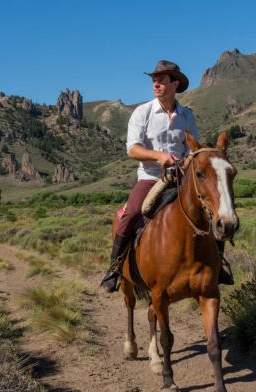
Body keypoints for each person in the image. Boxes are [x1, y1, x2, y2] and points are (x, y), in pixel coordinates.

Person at [100, 60, 233, 293]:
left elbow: (193, 149)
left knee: (213, 209)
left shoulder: (186, 116)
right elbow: (132, 149)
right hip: (151, 178)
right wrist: (158, 156)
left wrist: (192, 160)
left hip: (183, 178)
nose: (156, 84)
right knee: (131, 213)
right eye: (154, 80)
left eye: (162, 80)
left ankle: (217, 263)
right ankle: (115, 267)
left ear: (175, 83)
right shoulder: (143, 113)